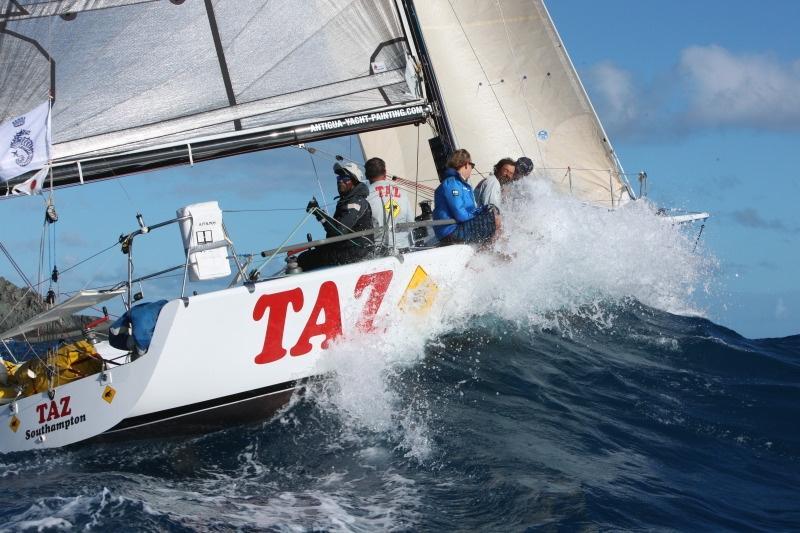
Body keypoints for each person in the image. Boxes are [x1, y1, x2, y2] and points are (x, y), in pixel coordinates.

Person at [296, 162, 373, 272]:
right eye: (339, 177)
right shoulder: (347, 201)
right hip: (347, 249)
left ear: (355, 182)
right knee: (309, 255)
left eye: (345, 178)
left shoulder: (356, 203)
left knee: (304, 259)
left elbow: (339, 230)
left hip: (357, 253)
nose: (340, 180)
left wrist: (319, 213)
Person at [432, 149, 497, 244]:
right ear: (466, 164)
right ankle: (495, 253)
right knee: (495, 219)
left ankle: (489, 253)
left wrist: (483, 210)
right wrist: (479, 213)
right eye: (472, 166)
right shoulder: (452, 183)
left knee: (494, 213)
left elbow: (468, 212)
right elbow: (460, 214)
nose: (472, 169)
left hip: (458, 227)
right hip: (451, 231)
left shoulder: (461, 184)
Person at [364, 157, 413, 250]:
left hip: (380, 252)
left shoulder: (364, 197)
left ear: (366, 175)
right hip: (405, 248)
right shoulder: (402, 192)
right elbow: (410, 221)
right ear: (385, 172)